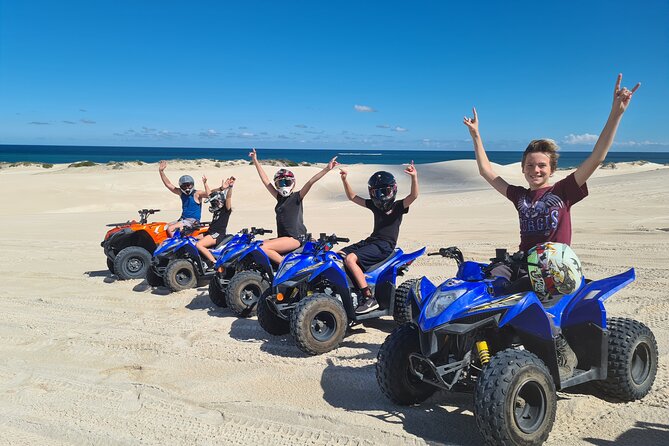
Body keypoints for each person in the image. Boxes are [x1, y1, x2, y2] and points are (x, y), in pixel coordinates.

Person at [462, 73, 640, 378]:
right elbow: (487, 173)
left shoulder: (564, 191)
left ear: (552, 169)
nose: (535, 170)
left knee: (527, 297)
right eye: (530, 166)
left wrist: (615, 114)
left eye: (541, 165)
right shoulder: (519, 196)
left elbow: (597, 158)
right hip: (522, 263)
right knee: (483, 286)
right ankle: (482, 345)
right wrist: (476, 136)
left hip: (553, 268)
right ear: (523, 168)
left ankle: (559, 348)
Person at [339, 162, 418, 314]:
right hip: (372, 241)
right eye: (377, 192)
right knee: (338, 256)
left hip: (385, 245)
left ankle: (369, 297)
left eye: (385, 191)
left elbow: (413, 196)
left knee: (350, 259)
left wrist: (414, 177)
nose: (381, 196)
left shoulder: (398, 206)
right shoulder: (375, 206)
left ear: (393, 190)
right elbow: (352, 197)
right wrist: (344, 179)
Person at [249, 148, 339, 264]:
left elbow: (311, 181)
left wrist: (327, 169)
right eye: (280, 183)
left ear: (293, 183)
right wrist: (255, 160)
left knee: (262, 248)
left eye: (286, 182)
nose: (283, 185)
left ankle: (287, 267)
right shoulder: (279, 198)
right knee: (255, 246)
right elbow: (265, 180)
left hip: (295, 238)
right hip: (283, 238)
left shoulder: (297, 196)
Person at [159, 160, 209, 237]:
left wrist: (206, 184)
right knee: (164, 227)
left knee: (170, 228)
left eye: (188, 185)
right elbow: (168, 184)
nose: (187, 188)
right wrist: (161, 172)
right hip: (182, 219)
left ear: (192, 185)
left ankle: (178, 245)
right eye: (184, 186)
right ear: (181, 186)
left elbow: (209, 194)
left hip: (192, 221)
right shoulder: (181, 193)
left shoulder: (197, 194)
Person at [196, 176, 235, 268]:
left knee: (199, 245)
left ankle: (214, 263)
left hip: (217, 234)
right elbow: (210, 194)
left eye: (215, 203)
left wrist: (230, 187)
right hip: (210, 232)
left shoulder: (226, 210)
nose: (213, 204)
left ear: (220, 201)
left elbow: (229, 198)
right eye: (213, 203)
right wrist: (205, 183)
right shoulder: (216, 208)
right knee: (190, 239)